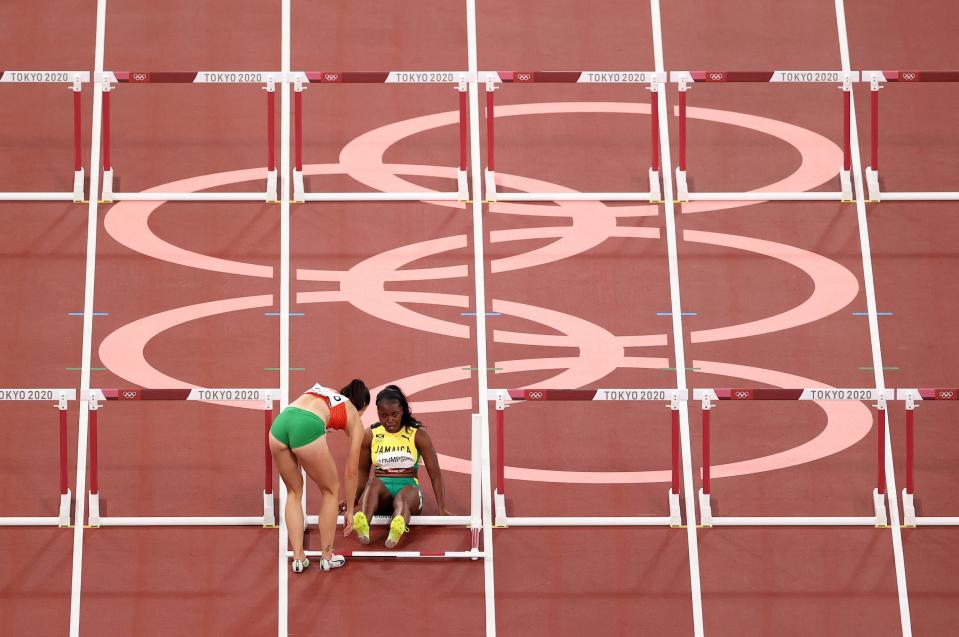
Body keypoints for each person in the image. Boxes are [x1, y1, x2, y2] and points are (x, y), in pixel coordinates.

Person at [269, 379, 369, 573]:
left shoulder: (326, 391)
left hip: (281, 423)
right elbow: (352, 470)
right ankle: (327, 557)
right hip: (307, 425)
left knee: (293, 491)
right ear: (362, 407)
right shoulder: (355, 418)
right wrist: (350, 509)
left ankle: (298, 558)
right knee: (331, 490)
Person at [351, 385, 451, 548]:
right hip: (382, 491)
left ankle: (396, 529)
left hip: (408, 485)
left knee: (402, 499)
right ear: (377, 414)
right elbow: (362, 471)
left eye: (394, 415)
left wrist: (442, 507)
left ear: (402, 411)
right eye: (383, 416)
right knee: (372, 484)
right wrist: (354, 499)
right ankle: (363, 523)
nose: (389, 420)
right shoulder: (370, 435)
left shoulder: (418, 435)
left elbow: (435, 474)